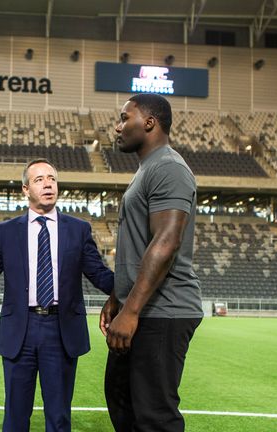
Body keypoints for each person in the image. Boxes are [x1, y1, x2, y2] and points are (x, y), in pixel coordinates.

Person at [0, 158, 113, 432]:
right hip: (20, 331)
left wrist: (134, 290)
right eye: (39, 179)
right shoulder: (7, 231)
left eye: (52, 178)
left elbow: (99, 274)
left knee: (59, 418)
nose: (48, 184)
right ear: (25, 189)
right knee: (15, 418)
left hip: (61, 331)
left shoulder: (78, 229)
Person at [101, 93, 203, 432]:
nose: (118, 127)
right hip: (142, 307)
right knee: (121, 400)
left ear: (149, 122)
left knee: (154, 418)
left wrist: (130, 310)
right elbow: (141, 243)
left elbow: (166, 241)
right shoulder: (148, 169)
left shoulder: (169, 168)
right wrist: (118, 296)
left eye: (124, 118)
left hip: (163, 311)